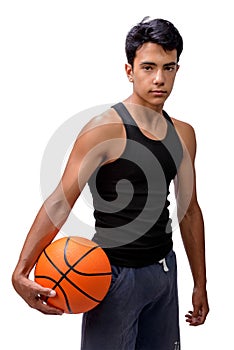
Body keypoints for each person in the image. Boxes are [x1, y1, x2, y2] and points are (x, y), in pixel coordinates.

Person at [12, 17, 209, 349]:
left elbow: (189, 210)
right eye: (148, 67)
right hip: (112, 276)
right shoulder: (104, 129)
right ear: (129, 70)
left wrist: (200, 283)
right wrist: (21, 271)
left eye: (169, 67)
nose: (159, 78)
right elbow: (61, 201)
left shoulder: (184, 134)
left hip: (164, 273)